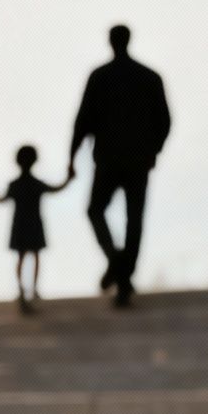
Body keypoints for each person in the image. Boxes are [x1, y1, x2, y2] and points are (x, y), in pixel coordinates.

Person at [69, 24, 171, 308]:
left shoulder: (101, 77)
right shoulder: (148, 77)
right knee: (131, 219)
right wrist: (154, 149)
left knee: (100, 211)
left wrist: (72, 155)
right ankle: (121, 269)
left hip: (112, 158)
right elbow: (164, 121)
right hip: (134, 159)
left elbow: (83, 120)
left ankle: (119, 268)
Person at [0, 144, 73, 314]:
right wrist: (68, 179)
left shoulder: (16, 184)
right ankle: (32, 288)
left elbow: (1, 199)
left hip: (21, 225)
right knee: (34, 256)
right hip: (33, 224)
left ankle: (23, 289)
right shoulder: (35, 184)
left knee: (22, 257)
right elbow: (56, 188)